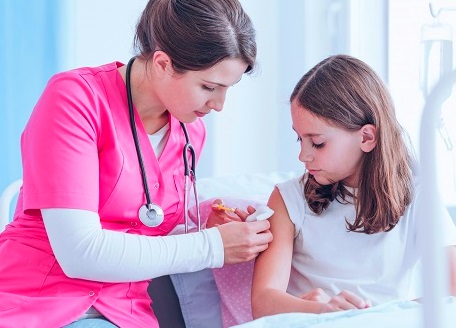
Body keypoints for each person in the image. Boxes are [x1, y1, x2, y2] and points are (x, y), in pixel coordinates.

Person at [0, 0, 273, 327]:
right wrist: (211, 246)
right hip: (38, 303)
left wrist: (207, 228)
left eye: (228, 89)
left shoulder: (190, 134)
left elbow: (144, 227)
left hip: (126, 314)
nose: (219, 105)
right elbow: (80, 252)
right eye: (208, 87)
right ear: (162, 63)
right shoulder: (75, 100)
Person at [251, 54, 456, 318]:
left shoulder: (418, 196)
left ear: (367, 137)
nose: (303, 155)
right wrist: (321, 310)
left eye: (318, 143)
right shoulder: (287, 199)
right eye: (299, 139)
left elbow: (451, 288)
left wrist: (367, 317)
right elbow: (263, 301)